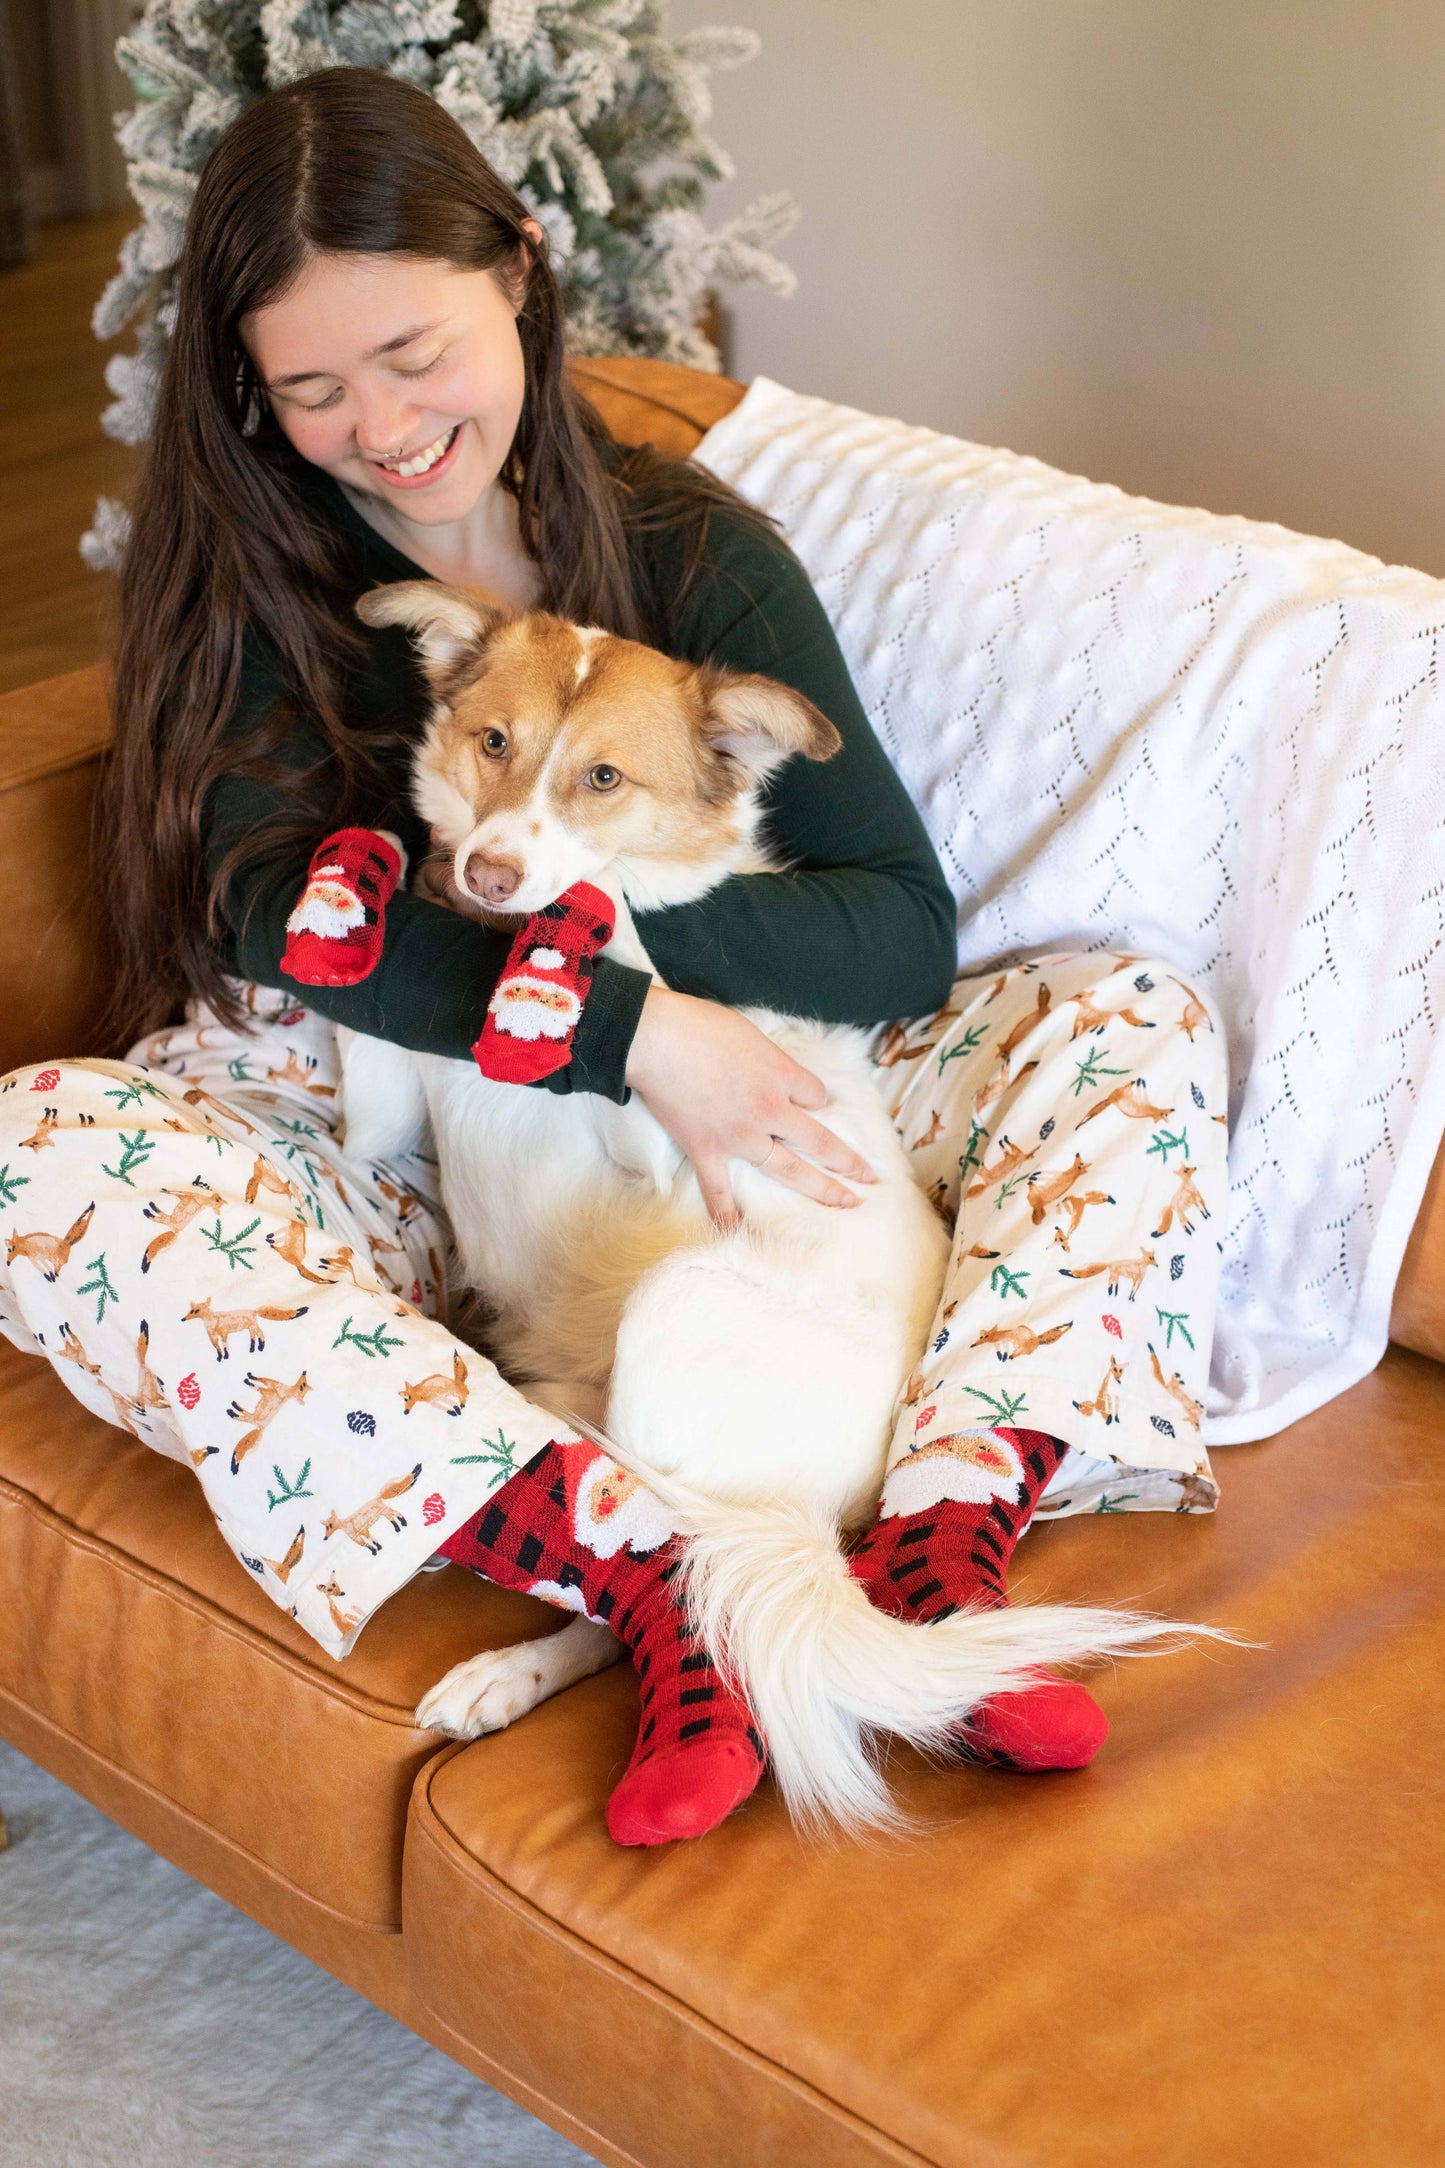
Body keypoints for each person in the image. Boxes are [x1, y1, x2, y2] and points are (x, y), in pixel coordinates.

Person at [0, 68, 1228, 1846]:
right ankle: (651, 1578)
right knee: (38, 1149)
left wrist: (635, 953)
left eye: (415, 352)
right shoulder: (257, 576)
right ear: (253, 398)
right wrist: (626, 1028)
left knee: (1127, 1014)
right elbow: (288, 922)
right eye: (314, 388)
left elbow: (893, 923)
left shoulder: (696, 556)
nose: (385, 426)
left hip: (759, 1072)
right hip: (383, 1119)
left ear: (517, 270)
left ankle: (941, 1546)